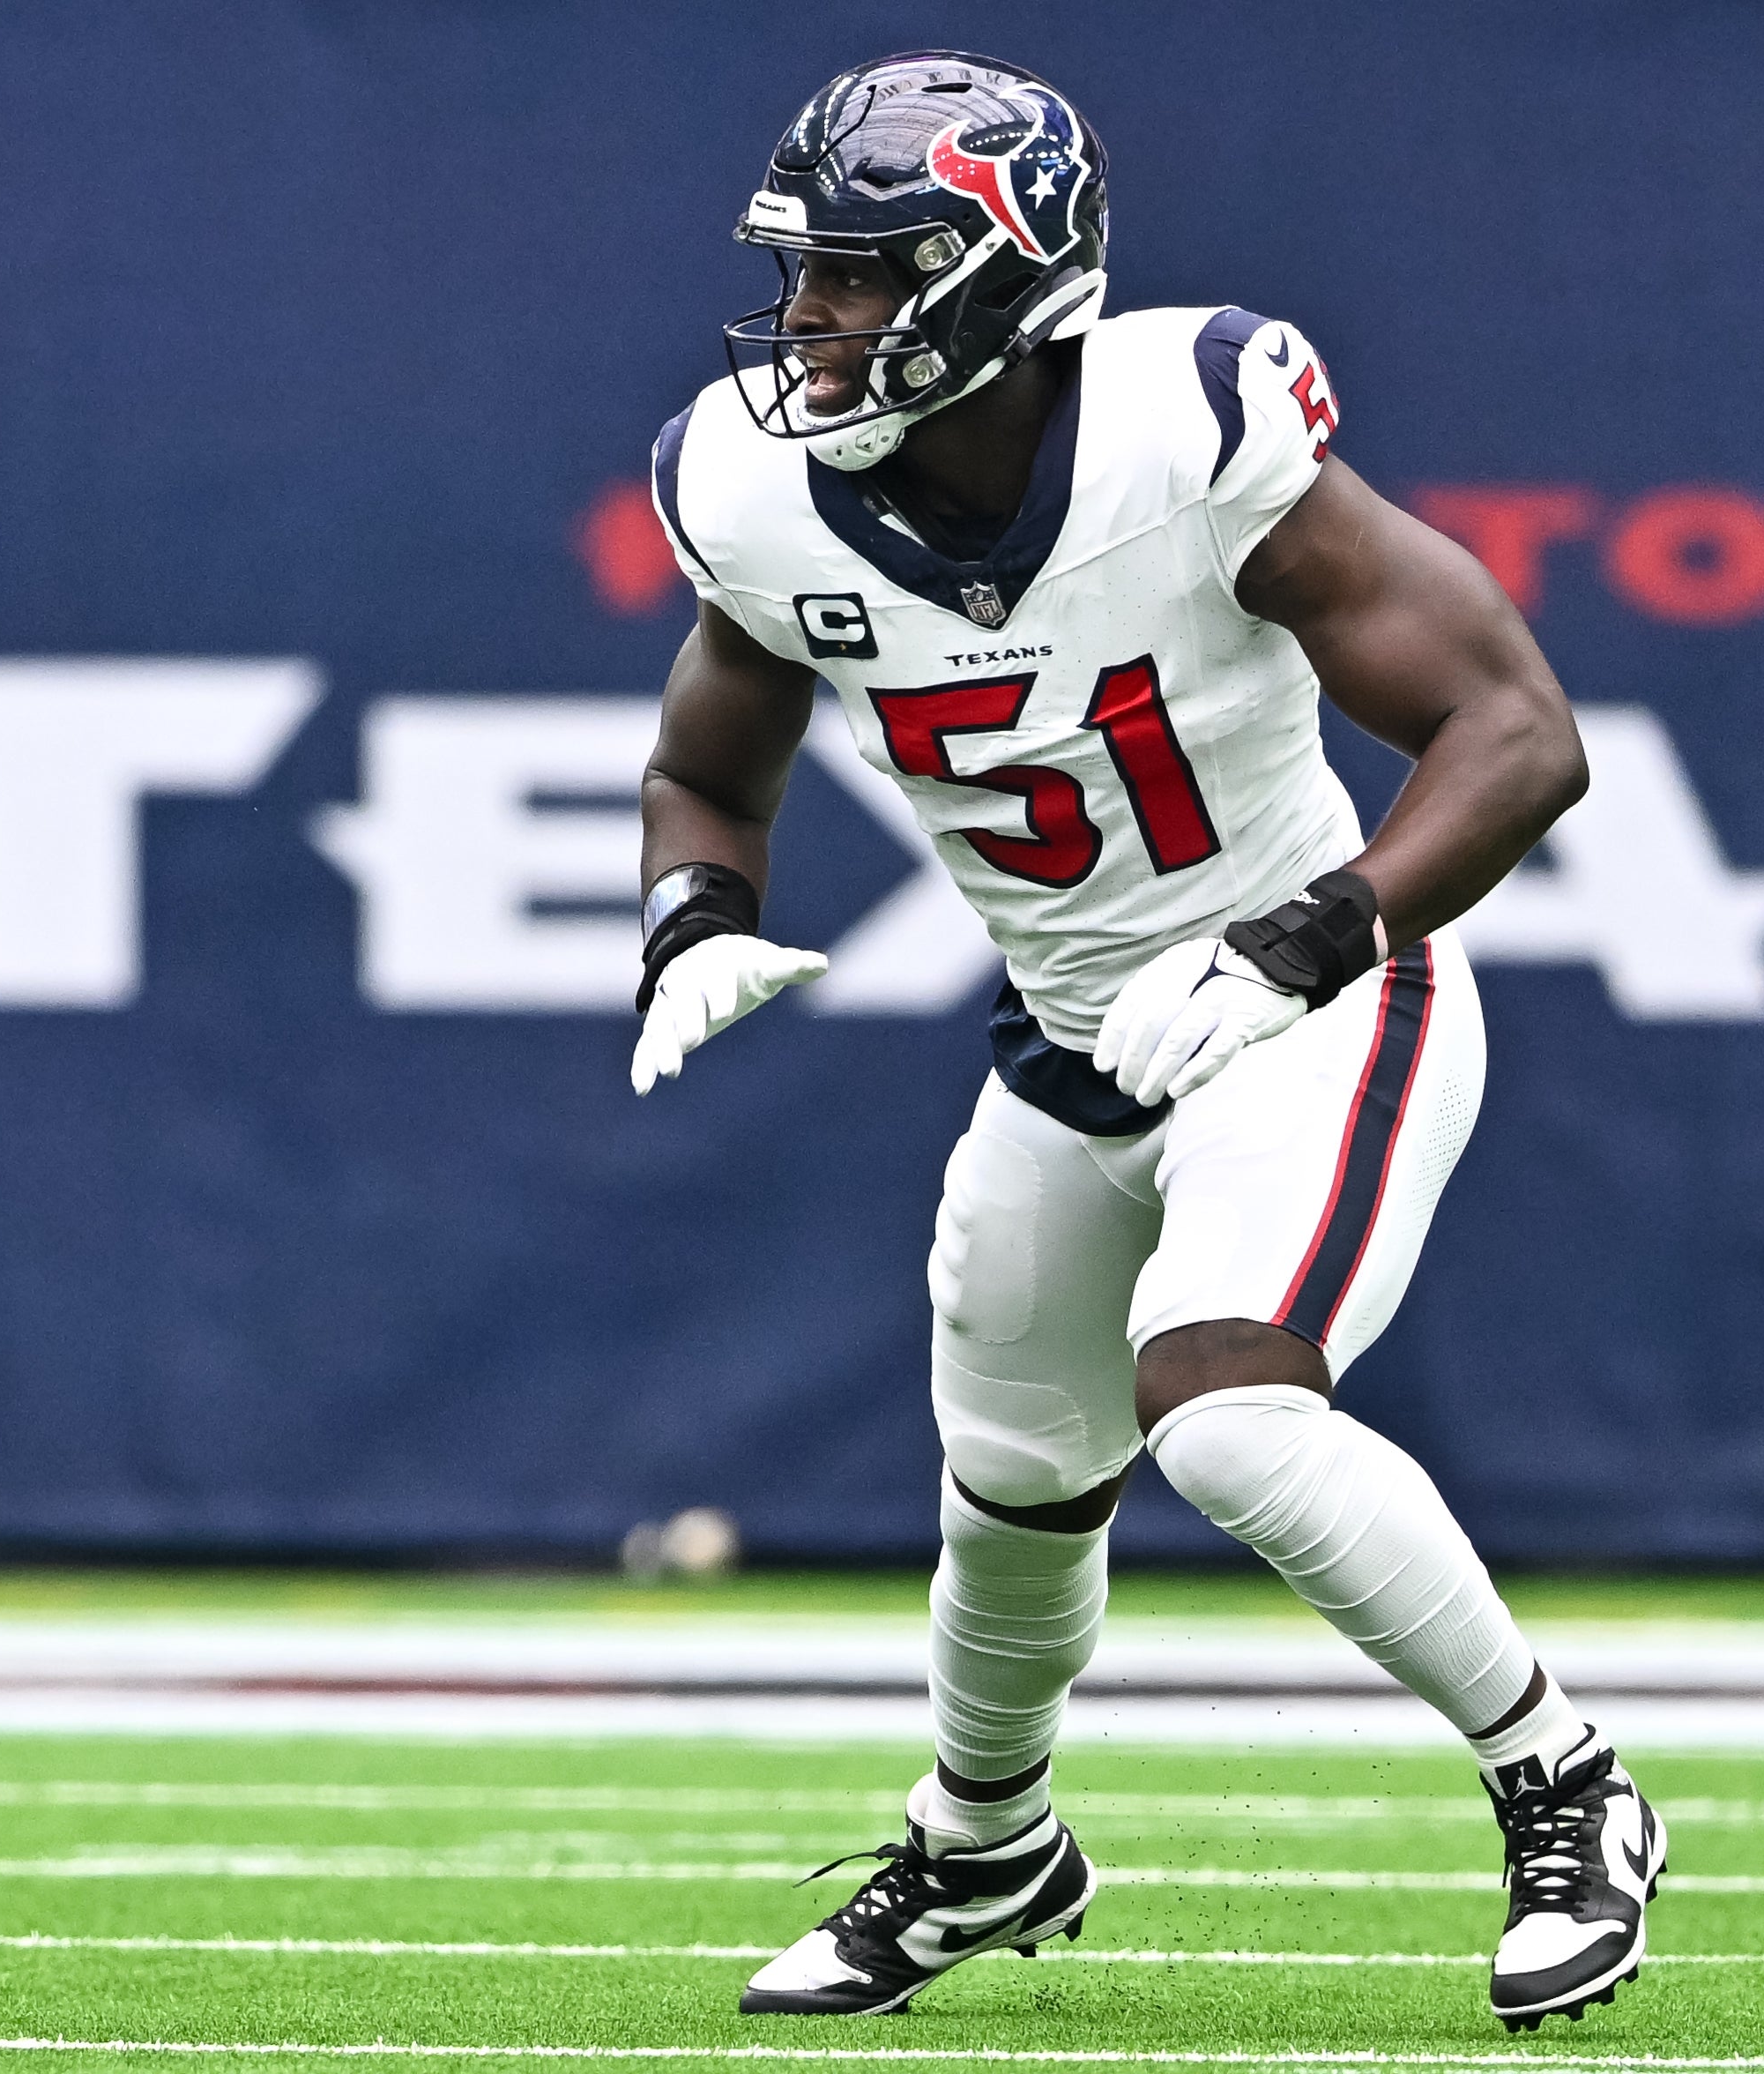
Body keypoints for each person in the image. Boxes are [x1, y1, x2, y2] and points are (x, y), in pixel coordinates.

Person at [630, 50, 1659, 2032]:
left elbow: (1519, 733)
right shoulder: (763, 499)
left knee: (1225, 1410)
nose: (810, 325)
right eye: (807, 278)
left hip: (1314, 998)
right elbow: (705, 766)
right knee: (1009, 1491)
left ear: (991, 277)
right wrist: (695, 919)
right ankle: (985, 1846)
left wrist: (1305, 937)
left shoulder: (1189, 437)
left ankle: (1568, 1787)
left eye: (855, 279)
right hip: (1069, 1034)